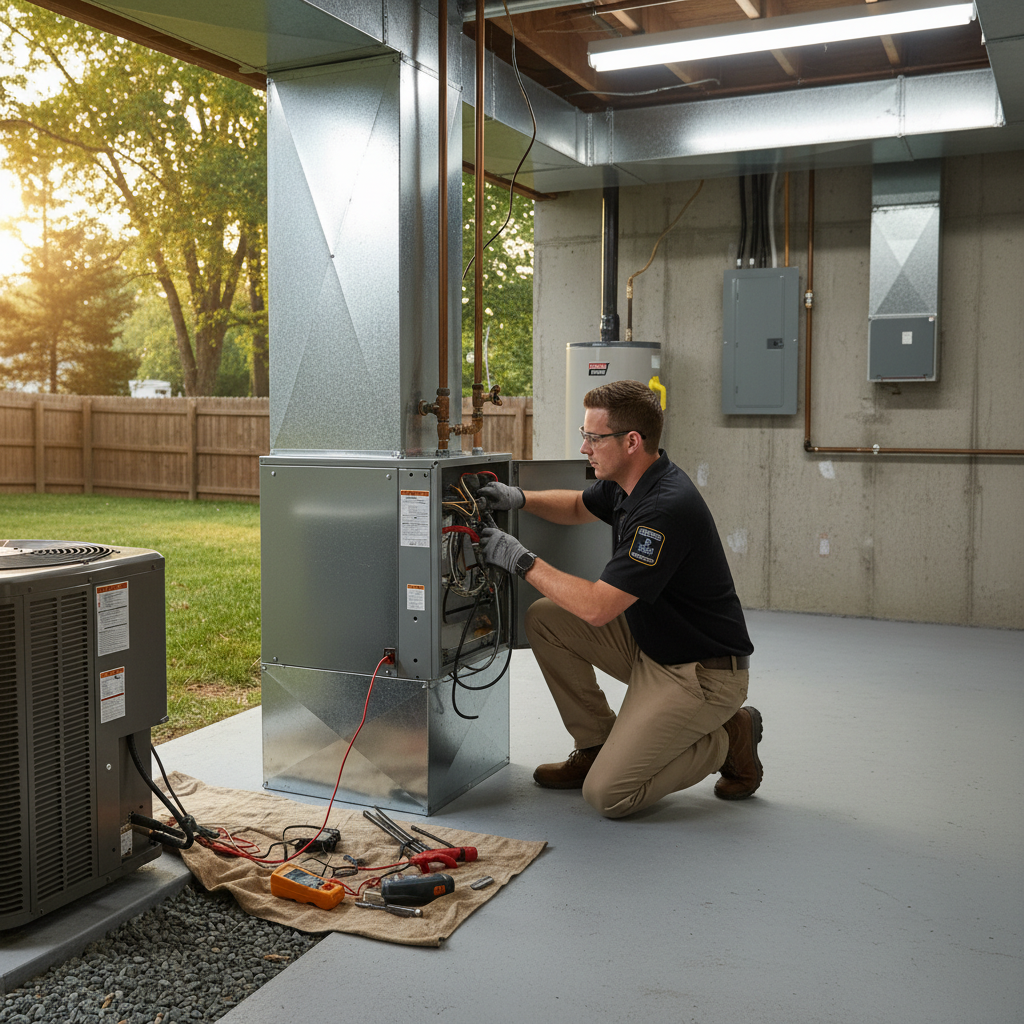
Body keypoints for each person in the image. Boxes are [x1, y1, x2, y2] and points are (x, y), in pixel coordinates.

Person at [477, 379, 761, 819]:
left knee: (608, 796)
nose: (585, 447)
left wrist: (521, 560)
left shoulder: (664, 508)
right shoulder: (629, 482)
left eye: (594, 437)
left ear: (632, 441)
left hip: (701, 673)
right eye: (584, 435)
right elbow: (575, 506)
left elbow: (597, 607)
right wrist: (520, 498)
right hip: (655, 643)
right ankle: (595, 744)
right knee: (546, 619)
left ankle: (728, 736)